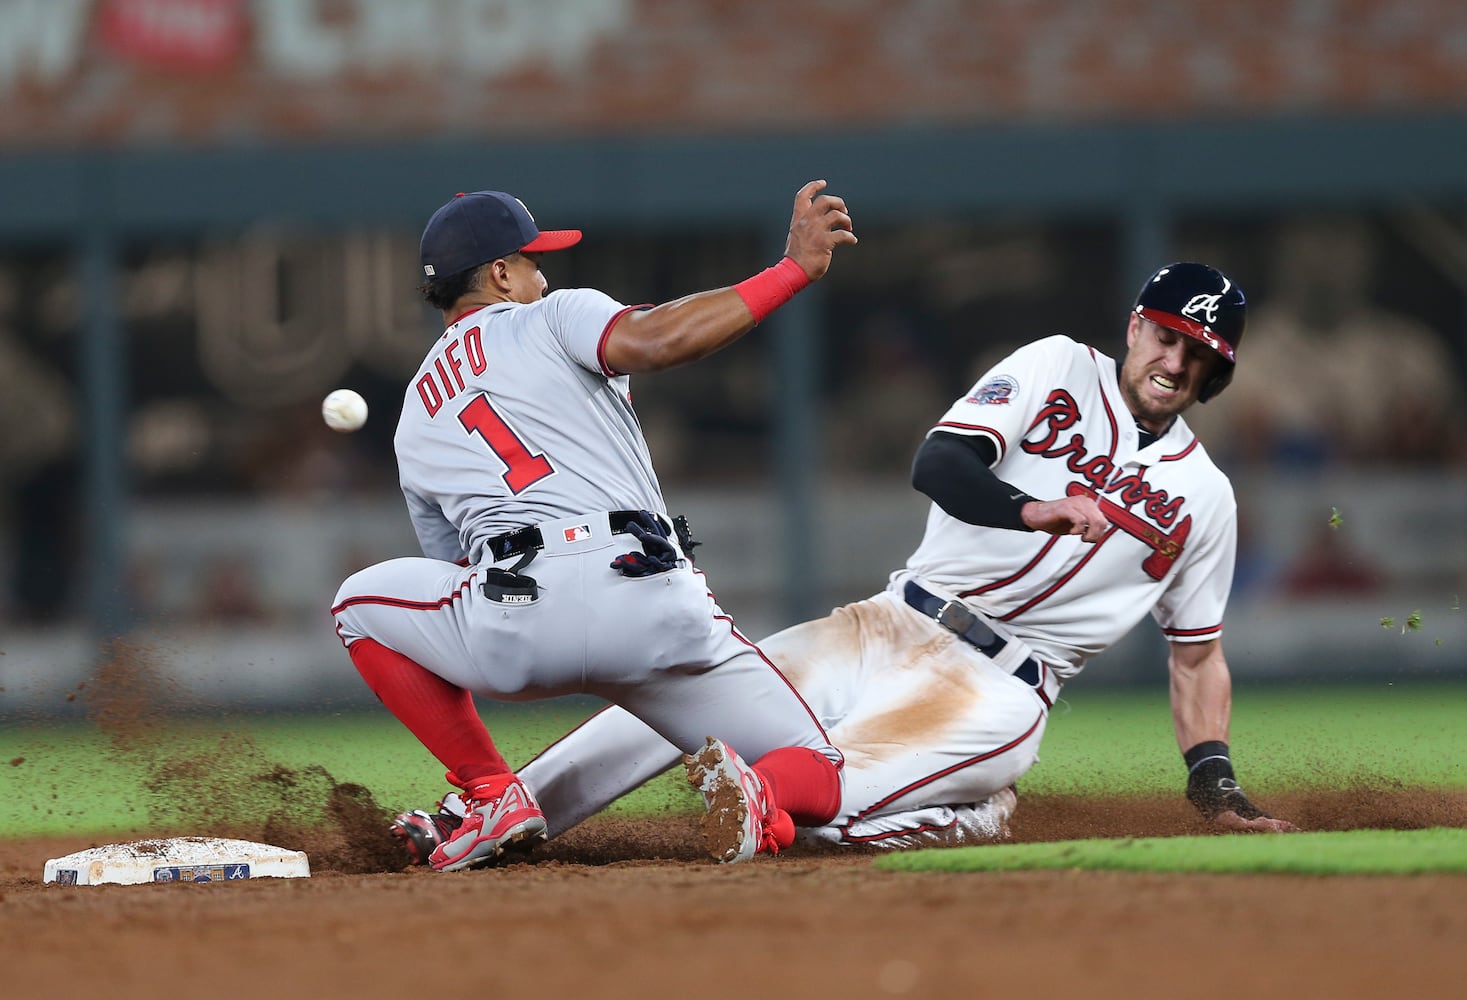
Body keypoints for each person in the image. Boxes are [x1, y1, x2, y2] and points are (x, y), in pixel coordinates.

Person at [391, 261, 1297, 863]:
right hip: (889, 619)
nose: (1173, 361)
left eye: (1197, 354)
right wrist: (1034, 509)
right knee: (668, 680)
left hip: (998, 689)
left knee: (832, 802)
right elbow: (937, 464)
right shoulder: (1057, 366)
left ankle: (918, 808)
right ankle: (498, 811)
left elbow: (1195, 655)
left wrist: (1211, 777)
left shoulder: (1205, 497)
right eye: (1166, 336)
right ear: (1136, 328)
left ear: (1213, 375)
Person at [331, 180, 858, 871]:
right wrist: (789, 270)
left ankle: (488, 792)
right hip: (648, 600)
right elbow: (662, 338)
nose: (542, 275)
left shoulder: (413, 418)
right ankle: (761, 793)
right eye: (532, 261)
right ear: (500, 275)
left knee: (358, 606)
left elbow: (454, 573)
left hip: (518, 618)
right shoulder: (553, 315)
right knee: (816, 767)